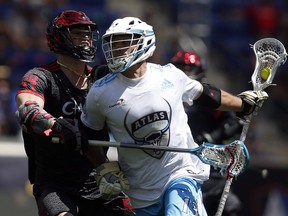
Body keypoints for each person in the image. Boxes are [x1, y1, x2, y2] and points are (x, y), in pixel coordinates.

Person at [81, 16, 268, 216]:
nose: (116, 49)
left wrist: (243, 104)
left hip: (180, 173)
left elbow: (207, 95)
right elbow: (88, 135)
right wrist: (103, 167)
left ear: (144, 41)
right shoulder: (99, 93)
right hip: (139, 192)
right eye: (114, 44)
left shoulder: (170, 75)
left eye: (123, 43)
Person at [15, 10, 133, 216]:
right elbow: (28, 109)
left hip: (100, 177)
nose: (85, 39)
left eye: (88, 34)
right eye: (77, 34)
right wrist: (56, 125)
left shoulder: (103, 78)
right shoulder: (41, 76)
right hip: (54, 184)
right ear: (58, 38)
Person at [171, 50, 243, 216]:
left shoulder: (206, 97)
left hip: (207, 166)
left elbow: (234, 122)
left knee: (229, 205)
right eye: (180, 68)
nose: (184, 73)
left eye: (189, 68)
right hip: (171, 165)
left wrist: (211, 138)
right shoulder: (163, 95)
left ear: (200, 72)